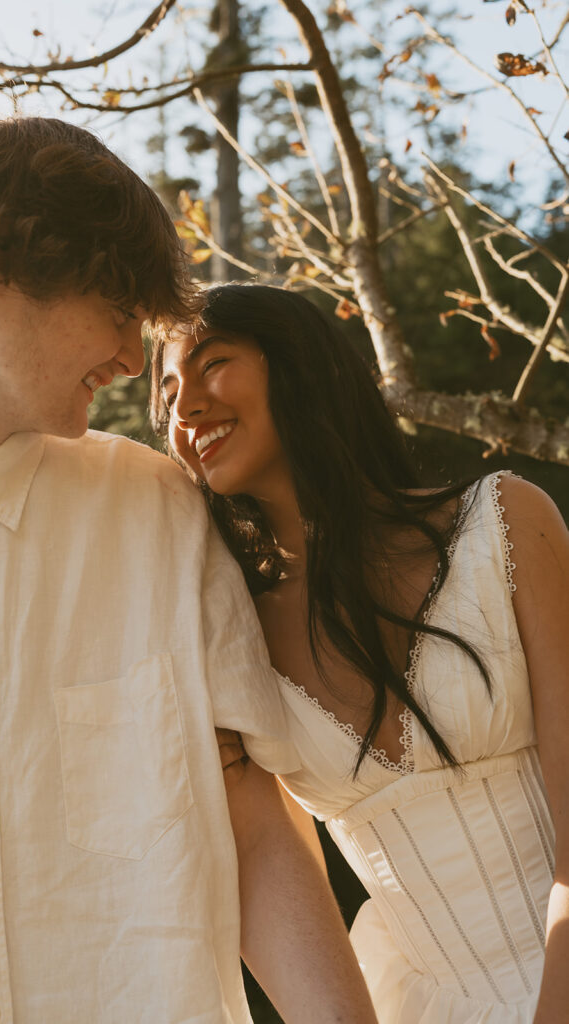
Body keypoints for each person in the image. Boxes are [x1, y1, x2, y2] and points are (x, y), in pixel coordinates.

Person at [0, 121, 379, 1024]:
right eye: (119, 312)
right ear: (2, 259)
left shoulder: (157, 510)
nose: (129, 358)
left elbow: (255, 825)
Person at [151, 282, 569, 1024]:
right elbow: (260, 858)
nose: (184, 409)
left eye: (211, 364)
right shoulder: (226, 630)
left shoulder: (505, 521)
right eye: (168, 390)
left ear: (299, 363)